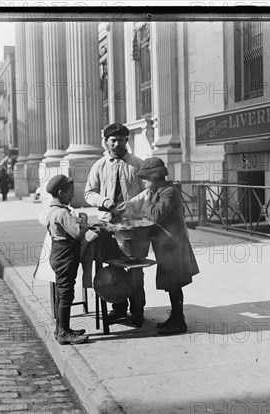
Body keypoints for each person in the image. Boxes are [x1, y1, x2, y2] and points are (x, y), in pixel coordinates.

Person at [116, 157, 200, 335]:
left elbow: (155, 214)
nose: (143, 182)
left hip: (173, 246)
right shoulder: (159, 191)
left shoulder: (168, 192)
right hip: (166, 246)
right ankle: (175, 317)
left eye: (145, 179)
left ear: (154, 177)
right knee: (171, 284)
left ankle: (179, 321)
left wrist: (146, 201)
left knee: (175, 284)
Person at [84, 123, 146, 327]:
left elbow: (149, 191)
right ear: (106, 142)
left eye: (121, 140)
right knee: (113, 268)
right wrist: (104, 202)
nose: (118, 143)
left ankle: (137, 311)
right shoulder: (99, 166)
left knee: (136, 269)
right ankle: (118, 308)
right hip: (108, 228)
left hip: (133, 227)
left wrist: (133, 204)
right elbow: (89, 193)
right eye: (114, 140)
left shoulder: (138, 164)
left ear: (126, 141)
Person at [45, 175, 90, 345]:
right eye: (70, 192)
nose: (72, 195)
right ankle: (63, 332)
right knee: (66, 293)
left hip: (57, 253)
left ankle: (61, 329)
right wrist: (83, 221)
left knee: (62, 292)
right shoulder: (63, 213)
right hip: (66, 255)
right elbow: (77, 233)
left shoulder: (52, 210)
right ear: (61, 192)